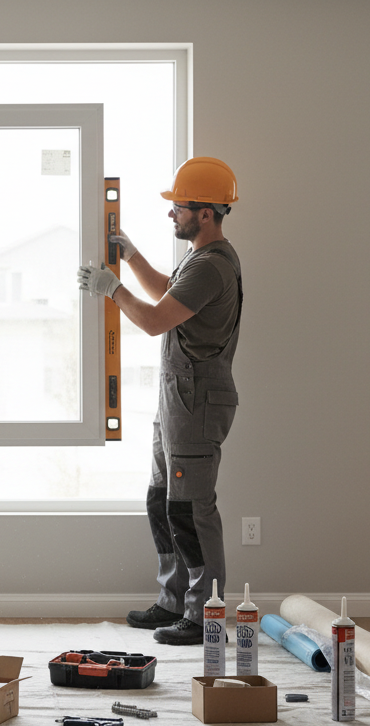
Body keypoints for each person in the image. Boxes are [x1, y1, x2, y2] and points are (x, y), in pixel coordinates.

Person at [78, 157, 243, 645]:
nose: (173, 214)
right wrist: (128, 257)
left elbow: (153, 320)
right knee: (162, 502)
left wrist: (113, 291)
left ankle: (203, 615)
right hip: (178, 397)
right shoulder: (198, 259)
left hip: (197, 398)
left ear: (207, 213)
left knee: (191, 509)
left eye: (180, 207)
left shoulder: (213, 265)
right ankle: (174, 600)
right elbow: (167, 294)